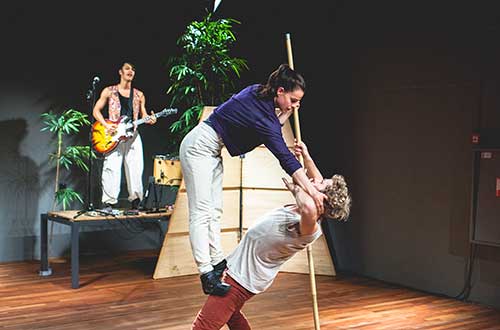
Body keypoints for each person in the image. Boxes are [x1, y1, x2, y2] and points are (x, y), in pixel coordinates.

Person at [179, 64, 328, 296]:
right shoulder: (263, 112)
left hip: (211, 150)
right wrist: (314, 191)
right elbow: (286, 158)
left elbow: (263, 128)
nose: (296, 105)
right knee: (201, 212)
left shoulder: (257, 93)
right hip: (199, 147)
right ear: (280, 91)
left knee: (214, 210)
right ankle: (206, 273)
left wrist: (285, 113)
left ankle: (218, 262)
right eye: (293, 99)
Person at [191, 140, 351, 330]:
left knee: (203, 326)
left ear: (322, 199)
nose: (316, 180)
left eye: (322, 184)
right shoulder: (308, 209)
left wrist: (297, 186)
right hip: (241, 271)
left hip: (242, 278)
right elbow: (315, 180)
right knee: (232, 316)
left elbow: (309, 204)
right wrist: (306, 157)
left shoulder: (311, 226)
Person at [92, 61, 156, 210]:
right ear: (120, 72)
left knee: (135, 167)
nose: (130, 71)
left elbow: (144, 114)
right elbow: (96, 111)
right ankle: (109, 202)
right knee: (111, 168)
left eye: (133, 69)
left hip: (132, 135)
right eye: (127, 68)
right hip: (114, 135)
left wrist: (151, 119)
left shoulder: (139, 95)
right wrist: (107, 125)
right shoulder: (109, 91)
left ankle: (136, 201)